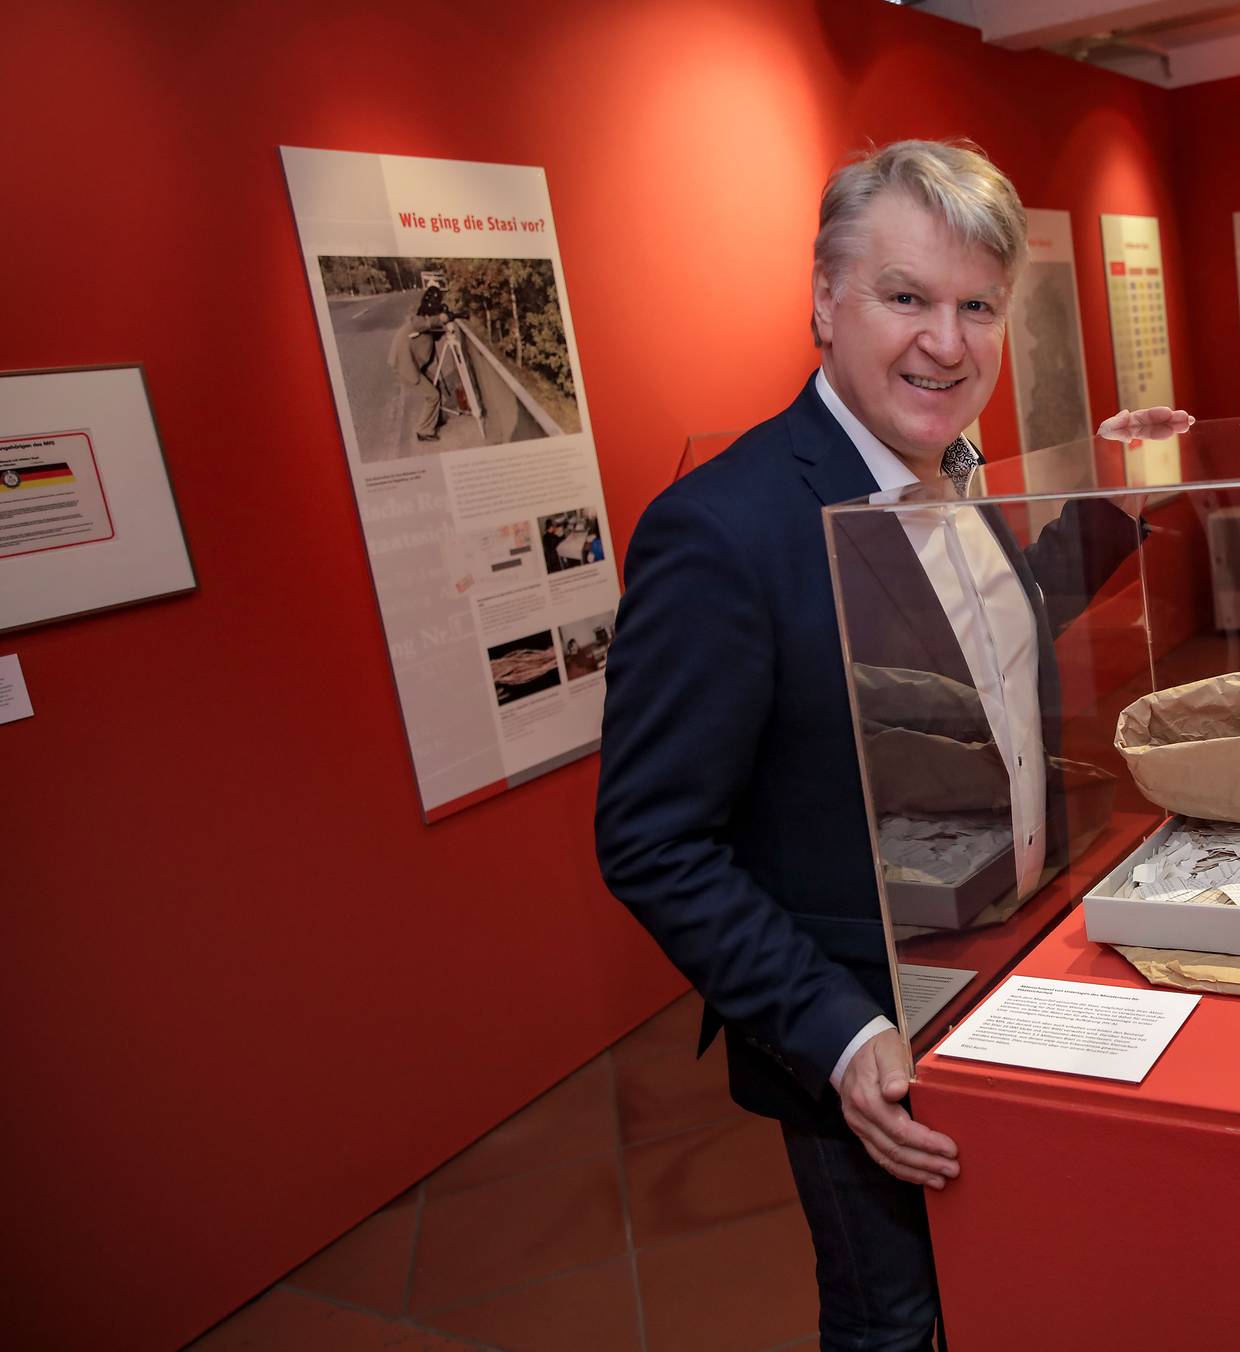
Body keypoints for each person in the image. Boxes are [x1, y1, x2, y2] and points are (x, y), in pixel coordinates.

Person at [595, 139, 1190, 1352]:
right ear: (824, 299)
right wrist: (840, 1034)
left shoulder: (953, 470)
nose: (947, 341)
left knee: (1017, 1283)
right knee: (896, 1322)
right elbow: (653, 838)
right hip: (869, 1034)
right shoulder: (723, 529)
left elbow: (976, 636)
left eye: (977, 306)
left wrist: (1116, 503)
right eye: (907, 297)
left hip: (1002, 965)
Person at [387, 287, 450, 444]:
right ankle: (424, 431)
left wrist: (445, 323)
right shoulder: (418, 319)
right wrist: (441, 319)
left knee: (436, 385)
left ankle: (435, 419)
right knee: (432, 395)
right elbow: (422, 325)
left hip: (410, 362)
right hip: (405, 365)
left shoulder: (424, 318)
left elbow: (431, 334)